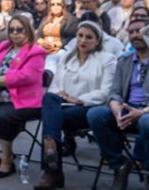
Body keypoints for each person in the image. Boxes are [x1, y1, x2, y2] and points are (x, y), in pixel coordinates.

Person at [86, 18, 149, 190]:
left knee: (148, 122)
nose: (136, 35)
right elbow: (114, 92)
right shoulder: (125, 60)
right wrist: (116, 109)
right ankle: (119, 164)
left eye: (141, 31)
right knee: (95, 114)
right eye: (132, 31)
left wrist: (143, 112)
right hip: (128, 109)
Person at [35, 22, 117, 190]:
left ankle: (52, 168)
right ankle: (51, 146)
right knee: (49, 98)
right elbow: (55, 86)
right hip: (62, 106)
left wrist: (78, 99)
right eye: (80, 35)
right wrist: (61, 94)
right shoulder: (67, 57)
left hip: (88, 108)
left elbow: (106, 92)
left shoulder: (107, 60)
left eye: (89, 37)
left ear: (97, 41)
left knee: (51, 118)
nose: (83, 40)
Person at [0, 12, 45, 178]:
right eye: (11, 30)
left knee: (3, 117)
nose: (15, 33)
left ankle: (7, 160)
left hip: (23, 99)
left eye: (20, 29)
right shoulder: (4, 46)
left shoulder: (36, 51)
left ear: (28, 31)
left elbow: (26, 76)